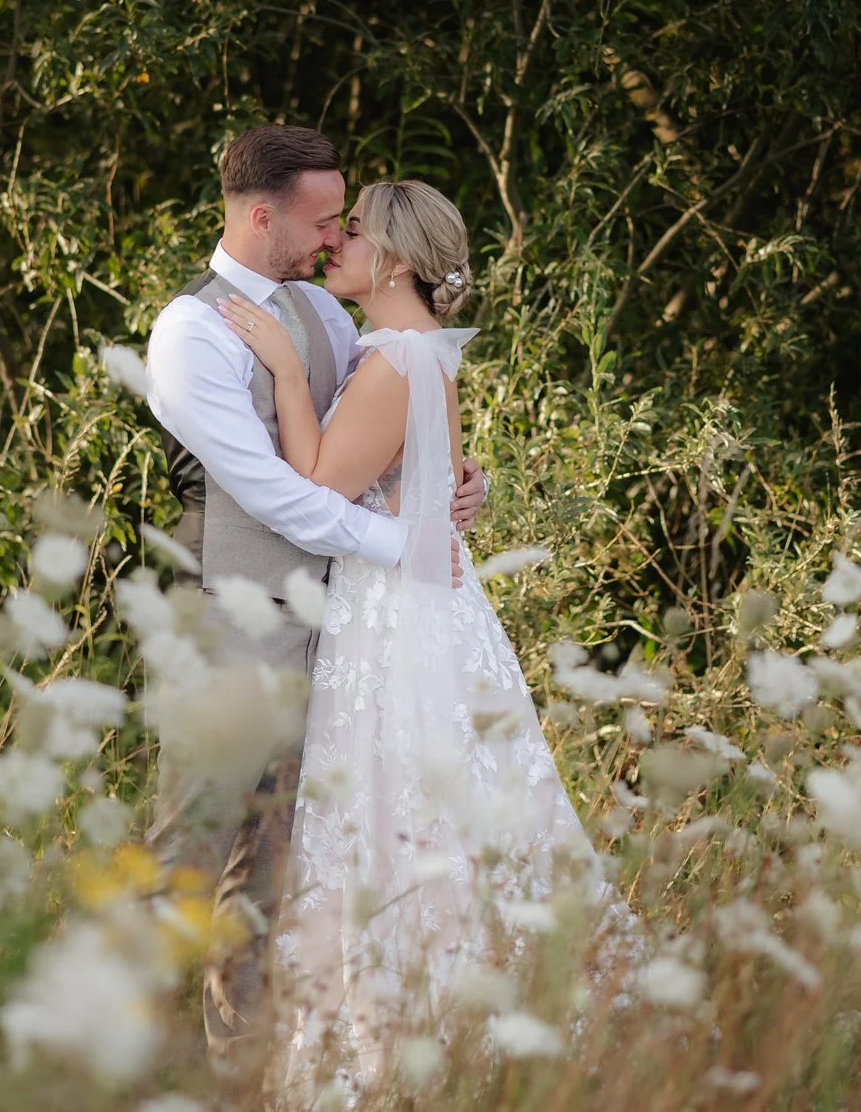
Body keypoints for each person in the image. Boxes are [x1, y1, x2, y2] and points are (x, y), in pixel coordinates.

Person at [216, 178, 610, 1097]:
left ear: (393, 258)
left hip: (392, 614)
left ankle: (404, 1039)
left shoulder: (397, 358)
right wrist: (462, 484)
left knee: (390, 808)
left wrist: (280, 367)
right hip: (418, 592)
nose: (338, 244)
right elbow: (419, 479)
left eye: (352, 232)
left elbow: (316, 478)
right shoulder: (411, 350)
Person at [143, 126, 488, 1082]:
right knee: (185, 853)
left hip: (340, 640)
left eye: (345, 221)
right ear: (264, 216)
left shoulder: (331, 320)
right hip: (230, 622)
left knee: (274, 874)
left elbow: (384, 437)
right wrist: (409, 545)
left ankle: (237, 1079)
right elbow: (277, 493)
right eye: (323, 219)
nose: (335, 237)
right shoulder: (191, 331)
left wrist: (458, 486)